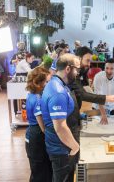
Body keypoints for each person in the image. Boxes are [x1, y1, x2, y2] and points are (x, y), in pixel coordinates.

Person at [41, 54, 80, 182]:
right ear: (68, 69)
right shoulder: (58, 91)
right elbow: (60, 127)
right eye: (76, 70)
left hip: (60, 146)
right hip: (60, 149)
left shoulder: (58, 84)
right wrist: (75, 147)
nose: (78, 73)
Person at [25, 67, 52, 182]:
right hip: (36, 138)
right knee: (40, 173)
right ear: (38, 82)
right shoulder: (37, 99)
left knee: (38, 171)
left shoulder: (31, 94)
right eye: (46, 81)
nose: (48, 84)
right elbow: (43, 128)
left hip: (32, 135)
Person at [93, 59, 114, 124]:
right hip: (98, 107)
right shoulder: (98, 76)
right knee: (99, 128)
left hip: (112, 107)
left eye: (111, 68)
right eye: (107, 68)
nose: (109, 71)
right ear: (104, 68)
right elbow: (99, 97)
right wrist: (103, 114)